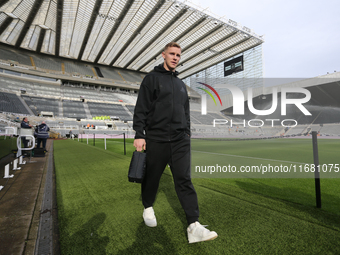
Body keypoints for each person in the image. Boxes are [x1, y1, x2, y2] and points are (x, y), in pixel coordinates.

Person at [133, 42, 218, 243]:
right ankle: (148, 207)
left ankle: (194, 225)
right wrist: (139, 134)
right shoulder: (151, 79)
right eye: (172, 54)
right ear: (163, 55)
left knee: (184, 179)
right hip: (157, 138)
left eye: (178, 55)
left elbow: (186, 112)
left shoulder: (181, 85)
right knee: (152, 177)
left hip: (180, 140)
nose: (175, 57)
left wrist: (187, 133)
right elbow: (141, 108)